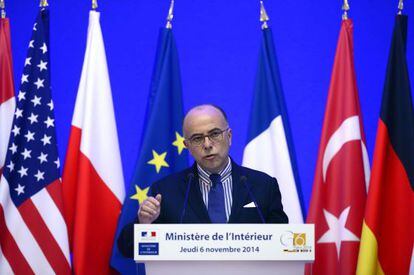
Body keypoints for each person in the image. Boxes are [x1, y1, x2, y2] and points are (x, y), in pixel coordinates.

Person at [118, 104, 288, 257]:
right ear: (187, 146)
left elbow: (283, 243)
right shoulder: (166, 191)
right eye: (197, 138)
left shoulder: (263, 186)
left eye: (214, 134)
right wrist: (144, 224)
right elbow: (126, 248)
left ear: (229, 136)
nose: (207, 144)